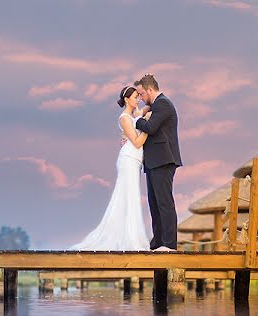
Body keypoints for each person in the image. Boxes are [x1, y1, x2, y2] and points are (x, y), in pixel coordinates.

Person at [69, 86, 151, 251]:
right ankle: (129, 240)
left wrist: (145, 101)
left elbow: (148, 107)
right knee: (127, 196)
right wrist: (149, 126)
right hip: (128, 158)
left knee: (132, 197)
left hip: (135, 160)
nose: (138, 99)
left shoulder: (134, 115)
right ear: (127, 99)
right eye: (135, 97)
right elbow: (136, 142)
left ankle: (132, 236)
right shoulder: (124, 118)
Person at [133, 74, 183, 251]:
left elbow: (151, 128)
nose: (140, 99)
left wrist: (136, 118)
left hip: (163, 160)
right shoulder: (156, 106)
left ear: (150, 90)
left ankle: (169, 244)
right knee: (154, 204)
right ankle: (158, 241)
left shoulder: (163, 104)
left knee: (164, 203)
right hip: (154, 162)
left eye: (141, 94)